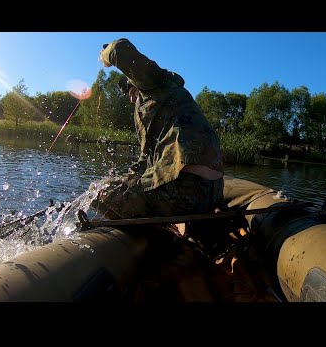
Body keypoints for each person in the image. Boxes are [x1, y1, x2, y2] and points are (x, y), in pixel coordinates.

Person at [91, 38, 225, 301]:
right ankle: (175, 244)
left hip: (186, 189)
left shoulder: (155, 85)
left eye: (128, 90)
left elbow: (120, 48)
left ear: (135, 83)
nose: (129, 97)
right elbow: (147, 163)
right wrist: (124, 179)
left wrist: (104, 56)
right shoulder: (167, 102)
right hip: (213, 192)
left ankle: (158, 253)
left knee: (101, 197)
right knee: (119, 188)